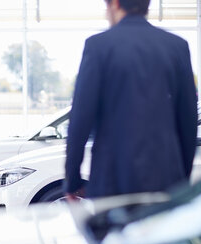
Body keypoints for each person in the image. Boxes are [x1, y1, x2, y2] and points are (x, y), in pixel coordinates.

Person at [64, 0, 198, 200]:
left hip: (112, 179)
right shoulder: (177, 46)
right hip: (166, 180)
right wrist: (181, 181)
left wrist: (72, 181)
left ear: (115, 4)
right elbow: (188, 120)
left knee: (116, 231)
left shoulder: (98, 46)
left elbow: (81, 119)